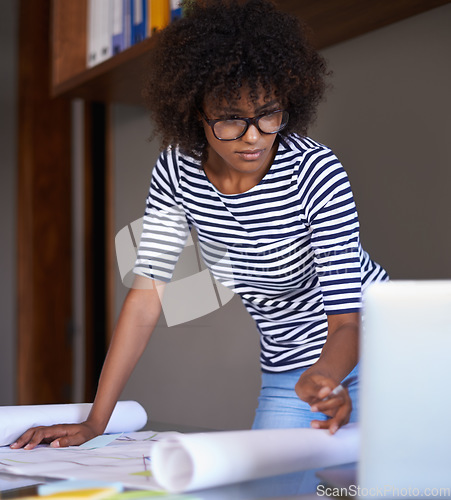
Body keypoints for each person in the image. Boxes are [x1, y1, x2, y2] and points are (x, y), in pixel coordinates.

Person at [12, 0, 388, 450]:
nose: (253, 136)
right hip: (288, 370)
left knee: (371, 486)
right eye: (231, 118)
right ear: (196, 112)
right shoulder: (176, 171)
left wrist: (327, 378)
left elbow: (348, 321)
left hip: (374, 354)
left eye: (268, 113)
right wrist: (96, 422)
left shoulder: (315, 171)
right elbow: (146, 298)